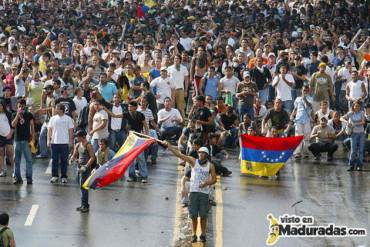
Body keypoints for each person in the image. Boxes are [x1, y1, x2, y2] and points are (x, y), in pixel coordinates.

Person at [165, 142, 216, 243]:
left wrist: (206, 183)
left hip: (204, 193)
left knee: (203, 215)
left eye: (203, 153)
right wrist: (169, 147)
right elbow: (180, 155)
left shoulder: (211, 166)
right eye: (199, 153)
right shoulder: (193, 161)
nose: (200, 154)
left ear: (206, 155)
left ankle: (203, 234)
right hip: (193, 192)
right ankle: (194, 234)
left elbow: (214, 180)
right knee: (193, 215)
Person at [69, 130, 95, 213]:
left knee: (84, 187)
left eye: (78, 136)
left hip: (85, 168)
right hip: (79, 167)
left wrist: (86, 166)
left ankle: (85, 205)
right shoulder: (77, 144)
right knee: (81, 186)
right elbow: (74, 154)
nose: (77, 138)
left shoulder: (88, 145)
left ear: (83, 136)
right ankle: (83, 204)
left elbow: (92, 157)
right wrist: (71, 159)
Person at [48, 103, 74, 184]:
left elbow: (71, 130)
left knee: (64, 160)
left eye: (57, 108)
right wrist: (48, 140)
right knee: (54, 160)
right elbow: (50, 129)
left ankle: (64, 176)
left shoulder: (68, 119)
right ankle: (54, 176)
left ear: (61, 110)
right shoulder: (53, 118)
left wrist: (70, 141)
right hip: (54, 142)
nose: (55, 110)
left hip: (64, 142)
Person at [12, 99, 35, 185]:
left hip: (26, 140)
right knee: (16, 161)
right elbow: (13, 125)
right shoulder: (14, 114)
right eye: (19, 106)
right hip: (17, 140)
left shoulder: (29, 115)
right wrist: (18, 115)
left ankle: (29, 178)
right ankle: (18, 178)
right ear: (17, 107)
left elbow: (32, 127)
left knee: (29, 160)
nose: (21, 108)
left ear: (25, 106)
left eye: (22, 106)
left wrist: (33, 138)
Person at [341, 100, 365, 171]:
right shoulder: (350, 113)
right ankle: (351, 165)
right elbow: (341, 118)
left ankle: (359, 166)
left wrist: (354, 124)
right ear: (353, 107)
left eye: (358, 106)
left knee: (361, 150)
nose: (357, 107)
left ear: (360, 107)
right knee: (353, 150)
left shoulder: (362, 112)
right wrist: (347, 122)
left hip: (361, 134)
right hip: (353, 134)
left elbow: (363, 122)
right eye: (355, 106)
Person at [290, 86, 314, 159]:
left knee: (307, 136)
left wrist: (305, 100)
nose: (305, 91)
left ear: (308, 91)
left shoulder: (310, 98)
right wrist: (292, 115)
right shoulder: (297, 99)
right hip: (298, 119)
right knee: (298, 136)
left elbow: (310, 106)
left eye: (306, 90)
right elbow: (295, 108)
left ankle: (306, 152)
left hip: (307, 119)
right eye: (304, 90)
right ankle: (297, 152)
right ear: (301, 90)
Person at [0, 100, 14, 178]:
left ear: (3, 106)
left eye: (1, 105)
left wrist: (10, 134)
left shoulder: (8, 114)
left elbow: (13, 126)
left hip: (8, 135)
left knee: (10, 153)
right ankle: (2, 170)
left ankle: (14, 170)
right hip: (0, 136)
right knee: (1, 153)